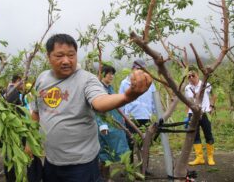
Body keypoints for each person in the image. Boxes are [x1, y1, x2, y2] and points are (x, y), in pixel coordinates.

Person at [29, 34, 152, 182]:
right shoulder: (42, 79)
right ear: (48, 56)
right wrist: (30, 143)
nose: (66, 61)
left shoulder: (87, 79)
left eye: (71, 55)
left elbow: (100, 101)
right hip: (51, 161)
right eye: (59, 55)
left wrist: (127, 96)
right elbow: (36, 113)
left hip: (81, 164)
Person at [118, 59, 156, 173]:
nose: (140, 71)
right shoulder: (125, 83)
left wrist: (155, 115)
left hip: (146, 116)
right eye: (137, 69)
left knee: (145, 144)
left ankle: (144, 168)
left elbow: (153, 100)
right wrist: (122, 118)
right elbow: (121, 100)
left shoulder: (150, 83)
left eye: (142, 69)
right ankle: (129, 169)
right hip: (131, 118)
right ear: (132, 69)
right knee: (130, 144)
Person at [96, 65, 130, 181]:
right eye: (109, 73)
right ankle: (105, 177)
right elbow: (97, 110)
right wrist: (102, 125)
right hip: (105, 126)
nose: (111, 76)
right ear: (102, 74)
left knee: (120, 149)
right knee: (105, 150)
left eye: (112, 73)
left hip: (115, 124)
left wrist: (122, 119)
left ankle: (127, 173)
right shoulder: (98, 89)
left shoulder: (109, 88)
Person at [185, 66, 216, 166]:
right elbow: (188, 102)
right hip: (192, 114)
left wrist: (211, 106)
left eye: (192, 75)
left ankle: (210, 157)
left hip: (204, 113)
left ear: (197, 75)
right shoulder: (187, 87)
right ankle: (199, 158)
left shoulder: (206, 85)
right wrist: (187, 115)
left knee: (208, 134)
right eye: (188, 76)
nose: (190, 78)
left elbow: (214, 95)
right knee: (195, 135)